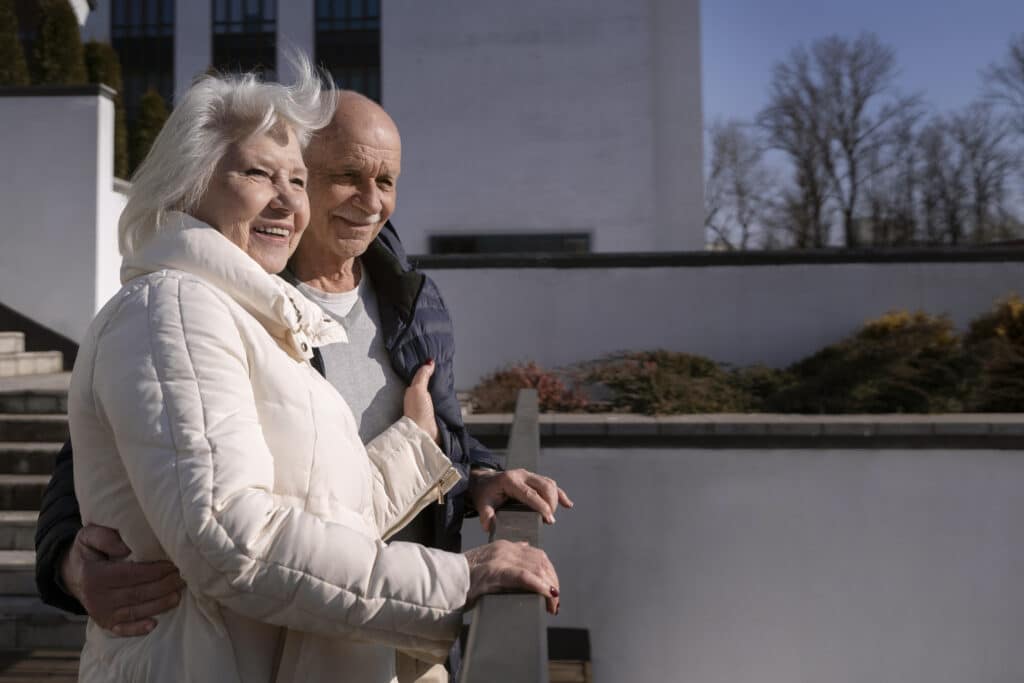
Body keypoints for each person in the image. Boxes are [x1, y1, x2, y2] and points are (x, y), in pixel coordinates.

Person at [35, 87, 573, 680]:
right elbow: (199, 510)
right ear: (191, 181)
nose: (369, 201)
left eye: (293, 179)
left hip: (361, 644)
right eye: (343, 175)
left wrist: (458, 464)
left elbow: (328, 490)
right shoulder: (184, 308)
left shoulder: (392, 299)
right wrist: (67, 560)